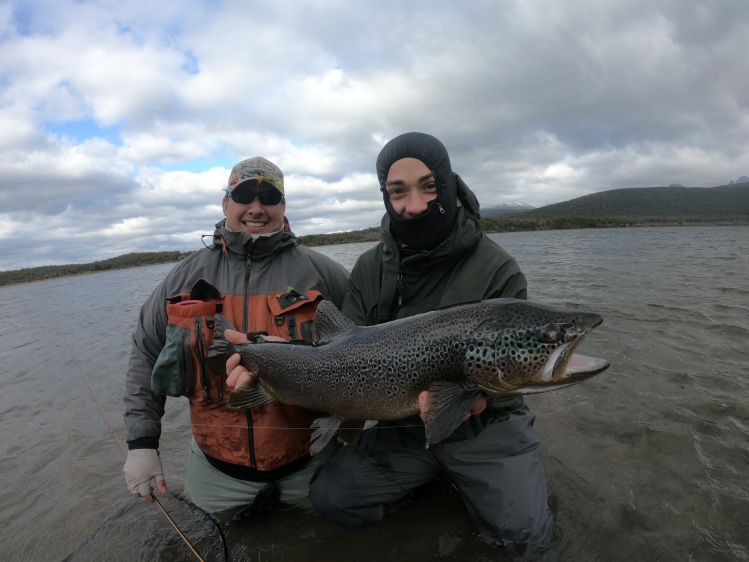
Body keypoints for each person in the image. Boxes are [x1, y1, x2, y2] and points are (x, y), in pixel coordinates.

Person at [308, 132, 554, 553]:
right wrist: (268, 359)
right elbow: (343, 356)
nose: (416, 205)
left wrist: (478, 401)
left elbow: (517, 363)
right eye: (398, 191)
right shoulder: (370, 269)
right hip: (402, 426)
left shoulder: (497, 268)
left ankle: (474, 483)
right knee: (333, 498)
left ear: (448, 183)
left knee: (526, 541)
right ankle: (426, 486)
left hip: (485, 423)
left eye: (429, 186)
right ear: (385, 196)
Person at [123, 156, 349, 514]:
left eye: (269, 198)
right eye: (245, 195)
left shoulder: (325, 273)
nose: (256, 209)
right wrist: (142, 444)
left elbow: (367, 346)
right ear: (225, 202)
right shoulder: (183, 278)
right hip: (216, 474)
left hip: (312, 464)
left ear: (284, 207)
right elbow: (144, 354)